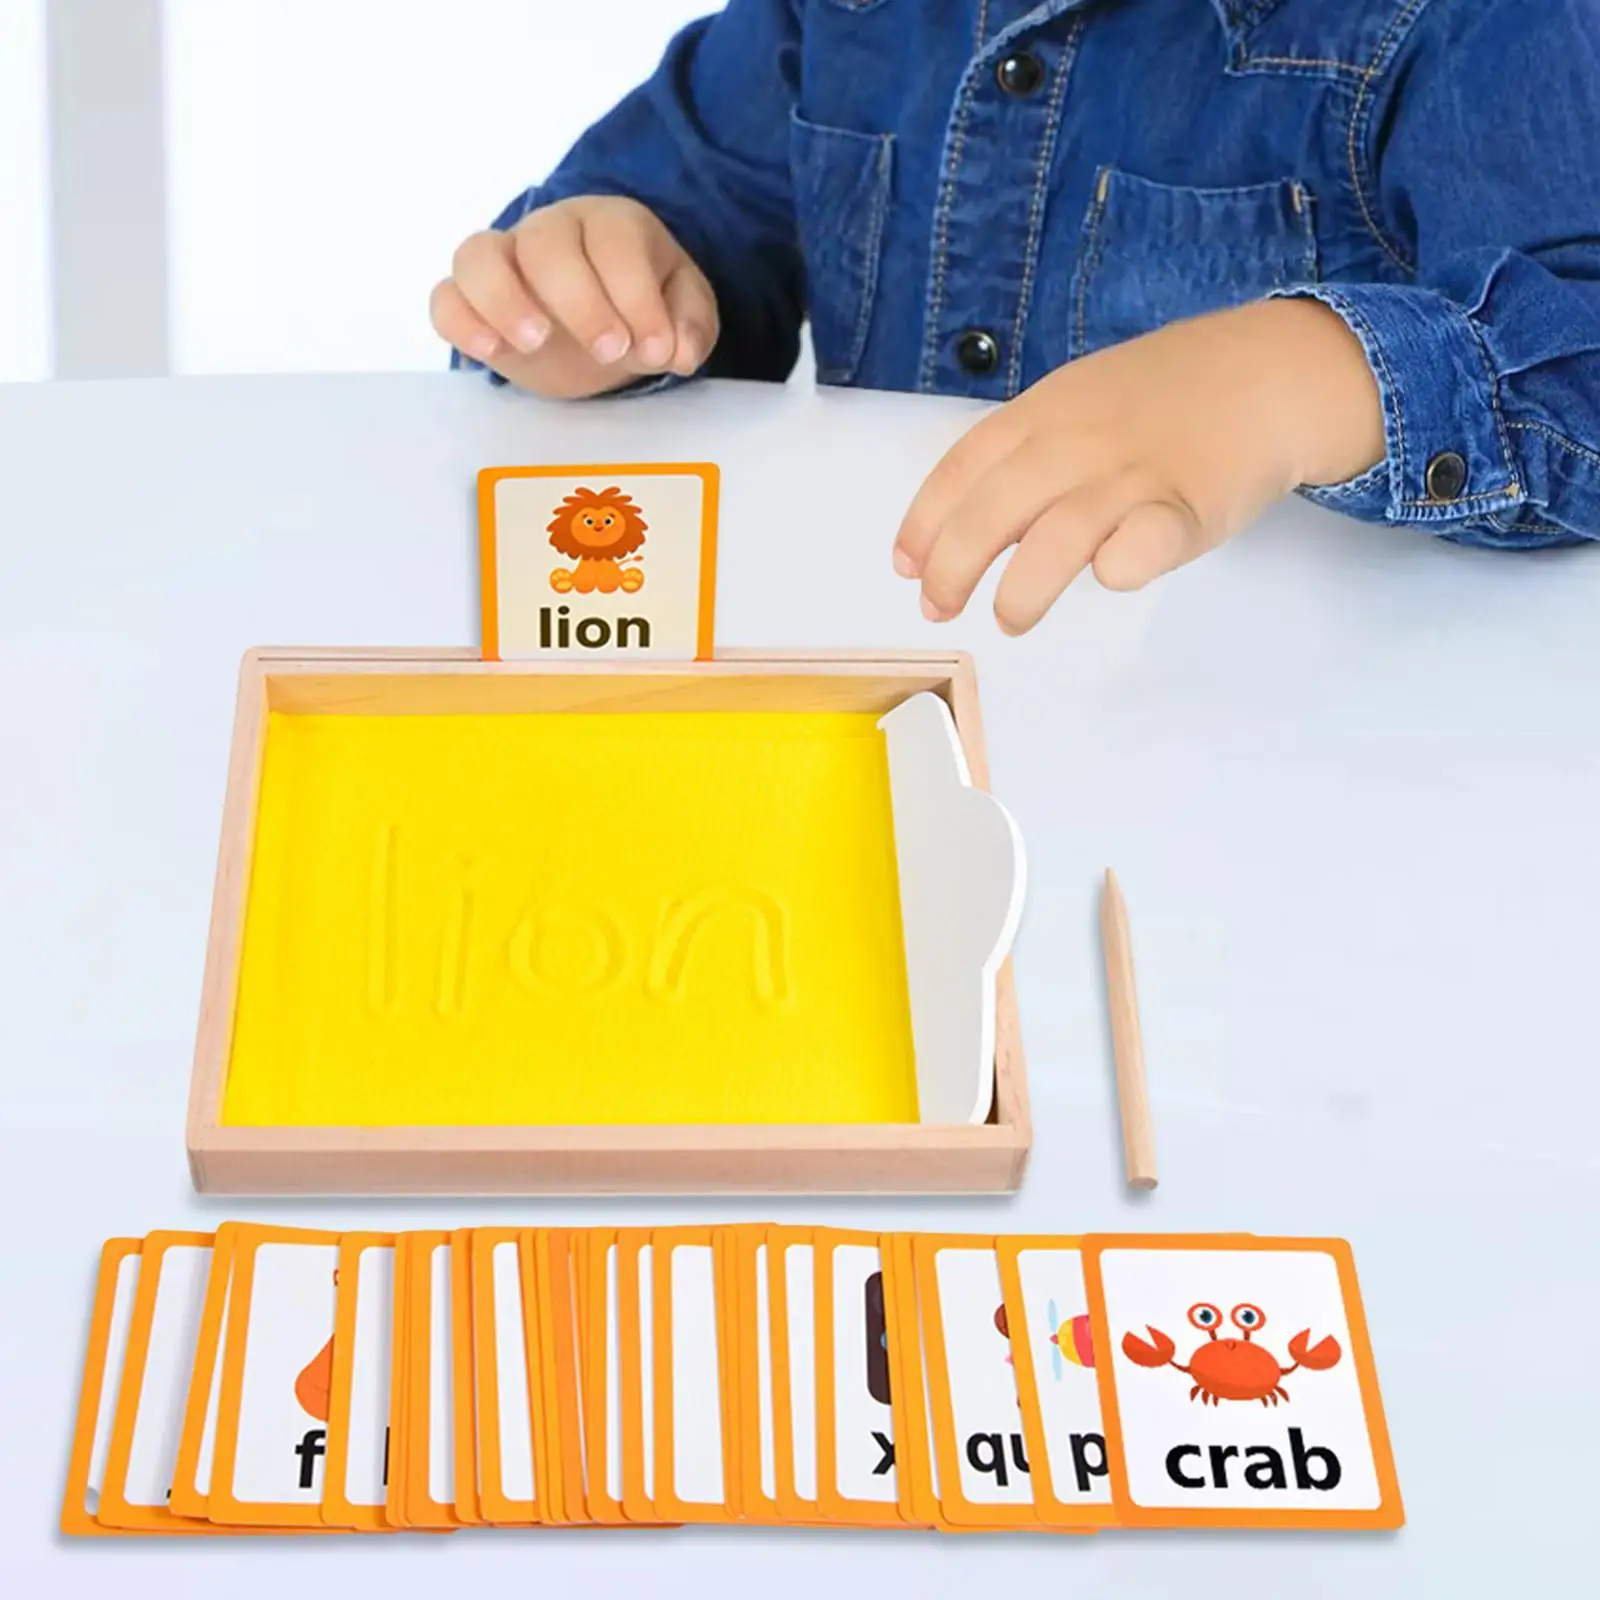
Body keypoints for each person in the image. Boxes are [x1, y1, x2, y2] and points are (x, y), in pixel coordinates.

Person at [431, 0, 1600, 635]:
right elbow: (678, 218)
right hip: (907, 684)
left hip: (1294, 764)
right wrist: (585, 300)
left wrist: (1308, 375)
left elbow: (1577, 362)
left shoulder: (1482, 22)